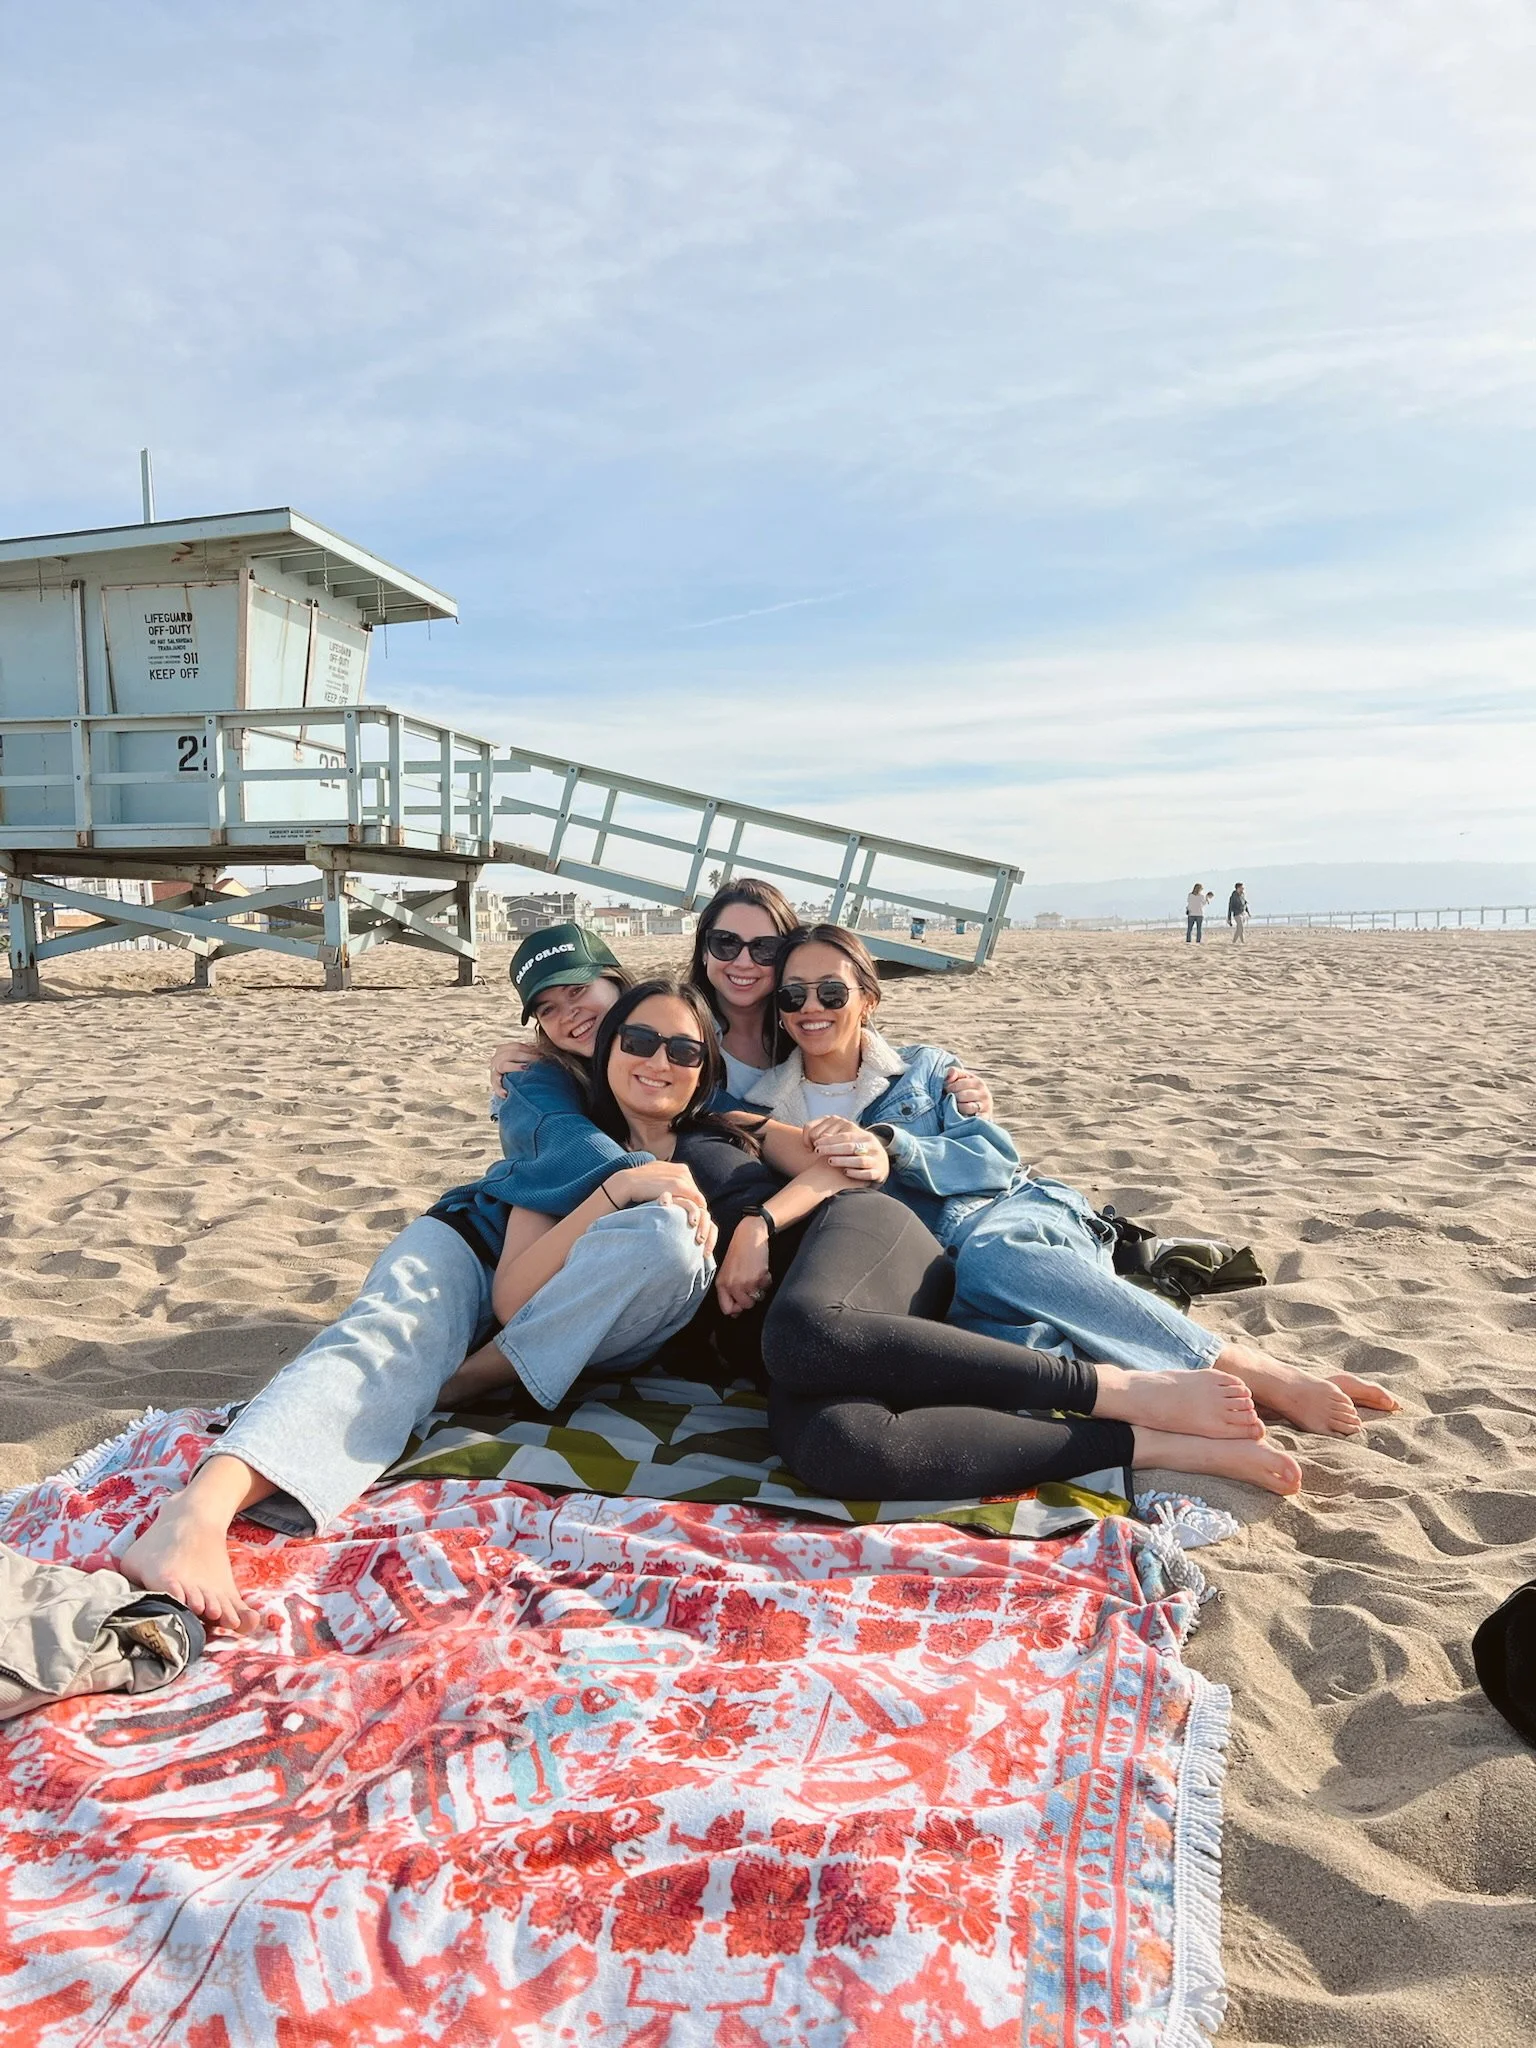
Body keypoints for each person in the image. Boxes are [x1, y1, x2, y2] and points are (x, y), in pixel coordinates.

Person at [456, 978, 1304, 1505]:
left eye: (684, 1047)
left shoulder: (729, 1120)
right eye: (638, 1041)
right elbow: (513, 1296)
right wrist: (613, 1190)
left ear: (703, 1068)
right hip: (788, 1348)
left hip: (859, 1245)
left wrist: (755, 1226)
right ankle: (1141, 1443)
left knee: (803, 1330)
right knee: (839, 1448)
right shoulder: (571, 1158)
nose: (660, 1061)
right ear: (607, 1051)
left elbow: (837, 1173)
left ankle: (1118, 1390)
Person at [119, 925, 723, 1632]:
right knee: (386, 1336)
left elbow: (754, 1101)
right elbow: (562, 1151)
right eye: (549, 1006)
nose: (571, 1014)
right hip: (478, 1241)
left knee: (661, 1242)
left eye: (581, 990)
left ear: (619, 985)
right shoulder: (537, 1083)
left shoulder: (674, 1075)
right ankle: (198, 1509)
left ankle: (459, 1381)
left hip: (577, 1291)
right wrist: (633, 1180)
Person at [743, 925, 1398, 1439]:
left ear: (867, 997)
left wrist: (894, 1145)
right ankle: (1192, 1398)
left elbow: (992, 1160)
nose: (811, 1008)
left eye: (831, 991)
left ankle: (1254, 1371)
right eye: (794, 994)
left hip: (1009, 1216)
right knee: (996, 1346)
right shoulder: (773, 1105)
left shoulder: (923, 1070)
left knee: (999, 1256)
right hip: (929, 1266)